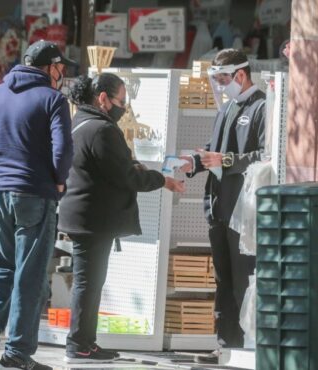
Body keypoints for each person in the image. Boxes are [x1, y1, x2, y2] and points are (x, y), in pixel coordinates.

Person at [58, 74, 186, 364]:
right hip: (93, 218)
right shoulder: (102, 130)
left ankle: (86, 342)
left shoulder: (78, 123)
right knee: (88, 282)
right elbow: (125, 175)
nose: (124, 108)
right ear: (102, 98)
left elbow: (109, 168)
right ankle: (79, 342)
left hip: (83, 214)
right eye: (121, 101)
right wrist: (161, 179)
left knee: (90, 281)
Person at [0, 40, 74, 370]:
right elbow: (63, 148)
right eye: (61, 68)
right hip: (33, 193)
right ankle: (17, 353)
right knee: (29, 275)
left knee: (4, 269)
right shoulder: (53, 99)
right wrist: (59, 179)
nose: (62, 74)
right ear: (50, 67)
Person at [179, 48, 267, 354]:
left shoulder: (262, 108)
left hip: (242, 210)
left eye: (222, 78)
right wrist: (195, 161)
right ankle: (225, 343)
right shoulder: (227, 108)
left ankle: (247, 343)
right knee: (223, 279)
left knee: (244, 278)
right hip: (217, 206)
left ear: (240, 75)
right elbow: (212, 149)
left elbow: (265, 157)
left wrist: (227, 160)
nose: (218, 85)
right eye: (215, 79)